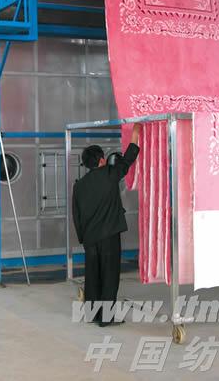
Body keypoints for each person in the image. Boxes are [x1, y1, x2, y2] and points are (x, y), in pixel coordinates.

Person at [72, 123, 141, 327]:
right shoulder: (110, 175)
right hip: (109, 236)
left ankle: (93, 314)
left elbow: (76, 215)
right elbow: (128, 159)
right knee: (109, 276)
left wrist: (83, 238)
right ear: (102, 160)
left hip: (90, 238)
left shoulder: (79, 186)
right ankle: (106, 318)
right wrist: (135, 133)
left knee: (92, 275)